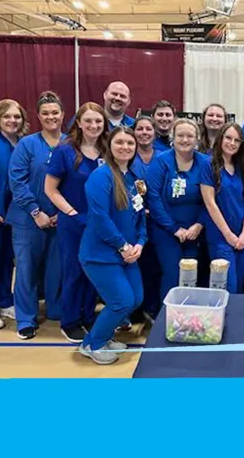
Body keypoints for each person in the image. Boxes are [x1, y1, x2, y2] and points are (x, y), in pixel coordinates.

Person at [79, 126, 146, 365]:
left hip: (128, 253)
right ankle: (93, 344)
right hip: (100, 254)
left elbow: (141, 216)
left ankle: (102, 337)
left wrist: (140, 243)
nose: (125, 147)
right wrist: (122, 246)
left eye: (130, 143)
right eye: (120, 142)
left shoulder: (135, 179)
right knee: (122, 301)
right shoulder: (101, 176)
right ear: (110, 145)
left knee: (136, 298)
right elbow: (99, 217)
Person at [45, 102, 109, 343]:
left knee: (95, 271)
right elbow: (50, 189)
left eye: (98, 121)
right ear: (79, 123)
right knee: (73, 271)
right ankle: (70, 320)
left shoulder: (107, 151)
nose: (94, 125)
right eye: (89, 121)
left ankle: (88, 315)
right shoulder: (65, 151)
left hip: (100, 223)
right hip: (73, 222)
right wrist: (71, 213)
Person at [7, 91, 65, 339]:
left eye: (55, 112)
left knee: (57, 269)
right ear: (38, 117)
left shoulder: (70, 143)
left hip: (59, 219)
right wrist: (35, 211)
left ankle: (56, 309)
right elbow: (16, 181)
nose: (51, 116)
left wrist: (64, 213)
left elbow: (75, 183)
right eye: (46, 113)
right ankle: (26, 319)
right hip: (27, 220)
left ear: (63, 115)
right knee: (27, 269)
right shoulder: (27, 144)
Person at [146, 118, 207, 301]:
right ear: (173, 137)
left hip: (195, 231)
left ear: (197, 139)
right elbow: (154, 198)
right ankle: (168, 317)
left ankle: (191, 317)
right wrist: (174, 228)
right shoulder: (160, 161)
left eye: (190, 136)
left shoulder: (205, 162)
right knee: (172, 274)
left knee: (193, 276)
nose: (185, 140)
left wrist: (199, 224)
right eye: (180, 135)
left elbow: (212, 199)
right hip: (166, 230)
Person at [0, 99, 28, 331]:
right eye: (7, 116)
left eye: (17, 116)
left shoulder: (21, 143)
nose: (12, 121)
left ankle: (4, 300)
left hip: (13, 215)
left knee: (7, 259)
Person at [200, 122, 244, 293]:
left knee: (240, 283)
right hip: (221, 237)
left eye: (237, 140)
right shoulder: (208, 165)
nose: (232, 143)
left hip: (243, 236)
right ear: (221, 139)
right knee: (228, 286)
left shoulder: (243, 167)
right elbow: (210, 203)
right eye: (228, 138)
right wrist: (229, 235)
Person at [130, 115, 162, 322]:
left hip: (158, 222)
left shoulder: (163, 156)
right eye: (140, 129)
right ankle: (133, 310)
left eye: (148, 129)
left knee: (154, 267)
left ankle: (152, 307)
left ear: (155, 132)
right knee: (135, 267)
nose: (144, 133)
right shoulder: (127, 157)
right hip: (133, 221)